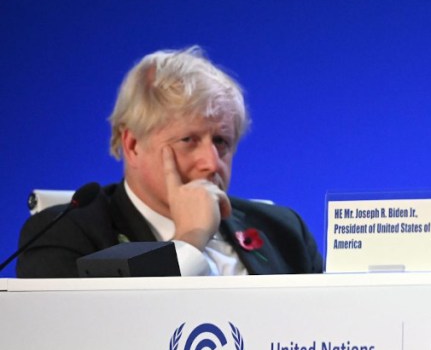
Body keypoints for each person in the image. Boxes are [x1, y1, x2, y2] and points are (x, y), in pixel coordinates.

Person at [17, 47, 323, 277]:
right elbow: (105, 335)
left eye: (221, 141)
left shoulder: (284, 230)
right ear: (133, 145)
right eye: (188, 140)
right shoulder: (65, 234)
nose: (211, 163)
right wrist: (190, 240)